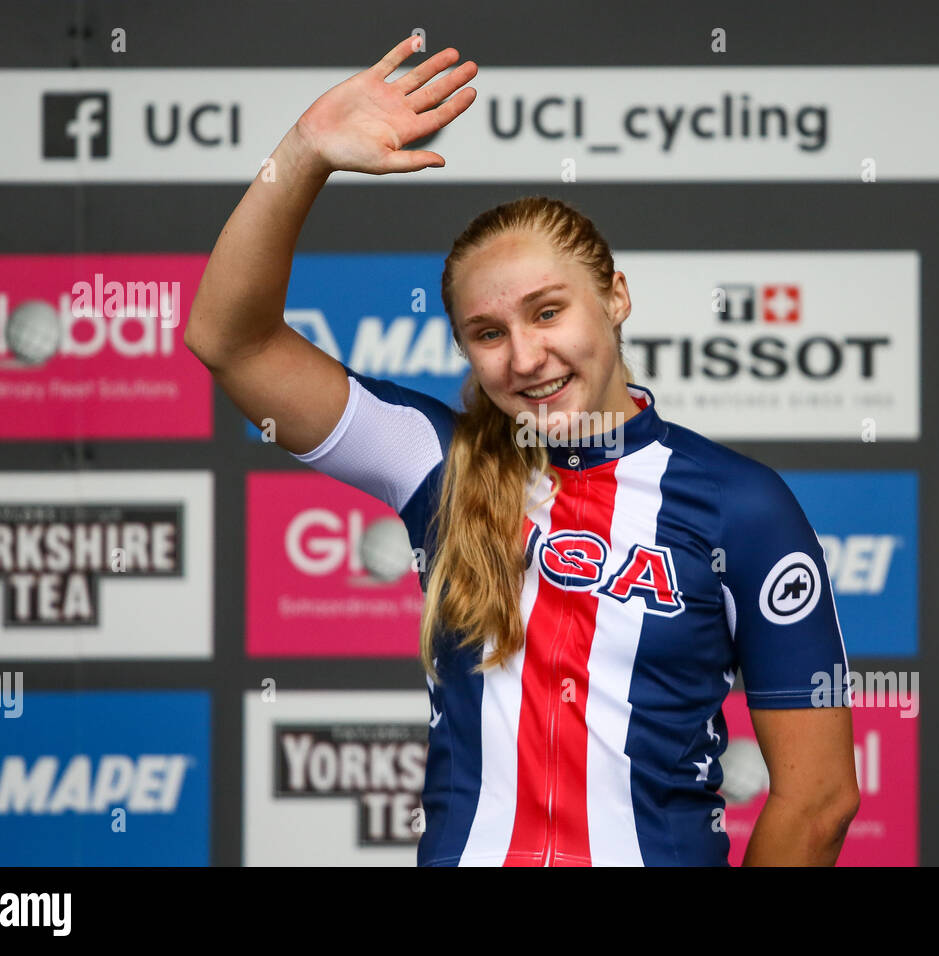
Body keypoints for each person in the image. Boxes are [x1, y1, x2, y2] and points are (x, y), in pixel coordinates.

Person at [186, 35, 859, 866]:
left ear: (615, 298)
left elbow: (819, 799)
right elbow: (231, 342)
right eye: (488, 333)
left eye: (548, 312)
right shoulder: (433, 459)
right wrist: (303, 156)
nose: (526, 357)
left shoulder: (742, 504)